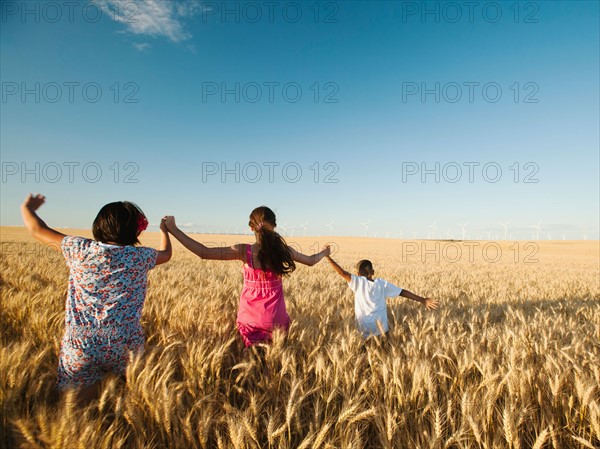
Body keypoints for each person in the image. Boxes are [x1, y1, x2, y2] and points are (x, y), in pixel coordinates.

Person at [20, 193, 172, 405]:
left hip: (82, 344)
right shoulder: (141, 257)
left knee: (75, 416)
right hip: (125, 344)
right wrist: (165, 230)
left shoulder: (78, 249)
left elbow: (36, 229)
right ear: (134, 231)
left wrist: (28, 208)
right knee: (126, 405)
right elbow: (166, 253)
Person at [163, 206, 330, 346]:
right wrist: (324, 252)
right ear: (274, 225)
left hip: (250, 321)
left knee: (250, 366)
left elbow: (203, 252)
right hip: (276, 319)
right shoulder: (283, 251)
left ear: (251, 227)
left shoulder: (244, 251)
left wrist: (174, 230)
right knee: (271, 367)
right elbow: (310, 261)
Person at [325, 256, 438, 338]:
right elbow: (401, 292)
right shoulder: (382, 283)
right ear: (373, 272)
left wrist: (327, 256)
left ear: (358, 274)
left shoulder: (358, 282)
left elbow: (342, 273)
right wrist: (422, 300)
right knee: (384, 353)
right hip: (381, 330)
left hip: (363, 330)